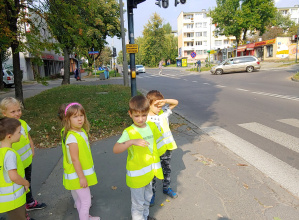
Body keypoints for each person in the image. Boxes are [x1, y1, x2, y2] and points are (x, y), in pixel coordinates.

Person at [113, 95, 167, 220]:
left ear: (147, 113)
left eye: (144, 115)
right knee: (138, 203)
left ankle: (145, 216)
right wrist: (131, 142)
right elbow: (116, 149)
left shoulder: (152, 127)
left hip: (149, 172)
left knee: (148, 197)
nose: (141, 119)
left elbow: (158, 144)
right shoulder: (129, 132)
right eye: (137, 116)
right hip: (137, 176)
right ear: (130, 114)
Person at [0, 97, 47, 212]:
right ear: (4, 113)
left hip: (26, 161)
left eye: (19, 110)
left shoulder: (23, 124)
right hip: (14, 166)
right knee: (19, 184)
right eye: (13, 111)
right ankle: (19, 210)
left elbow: (28, 137)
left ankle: (29, 202)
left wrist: (32, 149)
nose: (17, 113)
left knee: (27, 182)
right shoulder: (4, 130)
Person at [59, 102, 99, 220]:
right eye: (75, 117)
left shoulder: (78, 131)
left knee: (80, 200)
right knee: (86, 201)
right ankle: (85, 217)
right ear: (67, 119)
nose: (80, 119)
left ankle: (86, 216)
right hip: (78, 174)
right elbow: (75, 159)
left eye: (81, 115)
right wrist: (82, 177)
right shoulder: (72, 137)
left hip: (75, 174)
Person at [146, 90, 179, 206]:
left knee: (167, 169)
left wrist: (164, 101)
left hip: (166, 148)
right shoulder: (145, 118)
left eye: (161, 105)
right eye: (156, 105)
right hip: (154, 152)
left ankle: (166, 187)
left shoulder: (163, 113)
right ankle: (152, 194)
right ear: (148, 104)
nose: (159, 107)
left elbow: (175, 102)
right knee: (153, 174)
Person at [0, 117, 34, 220]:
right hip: (14, 199)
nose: (21, 134)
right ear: (9, 136)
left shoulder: (2, 151)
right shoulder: (10, 154)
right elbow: (13, 176)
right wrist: (25, 182)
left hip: (6, 199)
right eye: (19, 132)